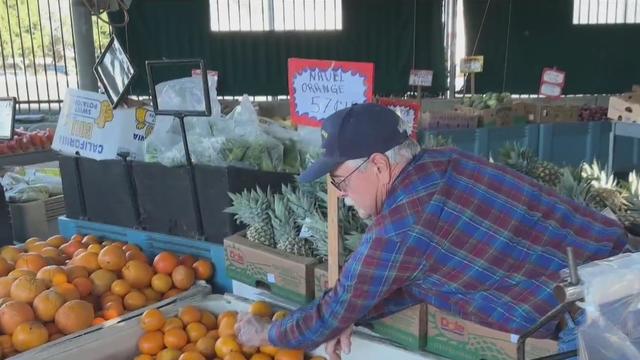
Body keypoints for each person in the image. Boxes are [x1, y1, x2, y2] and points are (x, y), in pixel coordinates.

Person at [235, 103, 627, 359]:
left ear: (377, 166)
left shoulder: (402, 227)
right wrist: (354, 315)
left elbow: (338, 304)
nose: (341, 196)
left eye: (341, 181)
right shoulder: (443, 162)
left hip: (594, 317)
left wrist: (268, 333)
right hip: (620, 271)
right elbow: (408, 284)